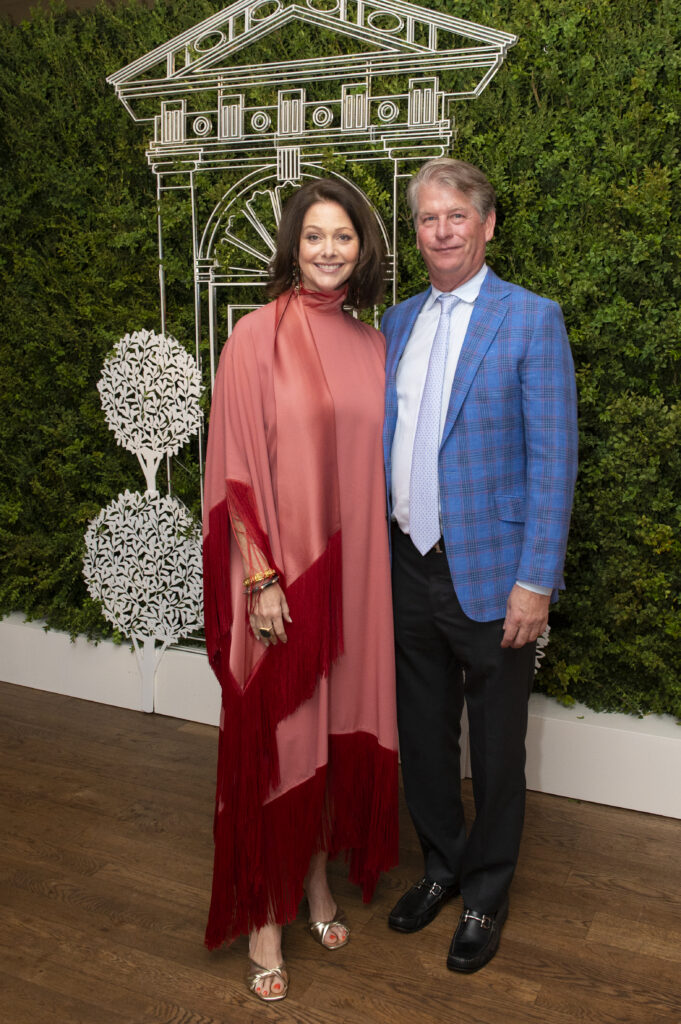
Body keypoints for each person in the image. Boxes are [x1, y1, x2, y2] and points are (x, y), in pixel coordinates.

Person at [202, 178, 399, 1002]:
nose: (328, 250)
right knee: (284, 736)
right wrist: (258, 577)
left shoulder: (374, 343)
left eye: (343, 236)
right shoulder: (254, 337)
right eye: (313, 236)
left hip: (358, 580)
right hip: (281, 579)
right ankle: (264, 917)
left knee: (334, 726)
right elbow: (233, 463)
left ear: (363, 247)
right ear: (292, 245)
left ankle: (314, 883)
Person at [383, 158, 578, 973]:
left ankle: (487, 893)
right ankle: (440, 867)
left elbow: (554, 459)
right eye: (427, 219)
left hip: (495, 573)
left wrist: (534, 580)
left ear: (487, 225)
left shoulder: (530, 319)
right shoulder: (394, 323)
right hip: (404, 561)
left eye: (456, 216)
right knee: (422, 738)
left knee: (497, 748)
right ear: (415, 232)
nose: (441, 231)